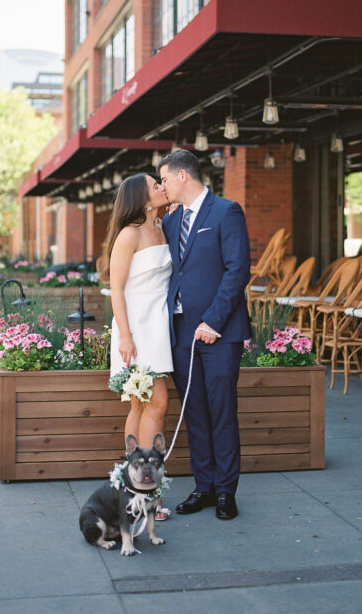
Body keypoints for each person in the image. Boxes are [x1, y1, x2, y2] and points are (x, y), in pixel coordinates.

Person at [157, 149, 251, 521]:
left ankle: (227, 492)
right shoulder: (170, 221)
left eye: (163, 179)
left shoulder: (227, 212)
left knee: (222, 412)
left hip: (220, 333)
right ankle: (204, 486)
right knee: (194, 412)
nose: (162, 186)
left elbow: (237, 270)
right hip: (180, 333)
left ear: (182, 176)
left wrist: (213, 321)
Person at [102, 173, 174, 520]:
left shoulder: (163, 227)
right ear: (142, 198)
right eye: (154, 185)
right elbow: (117, 288)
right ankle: (146, 492)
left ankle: (134, 492)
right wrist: (126, 336)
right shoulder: (129, 234)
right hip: (136, 327)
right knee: (155, 402)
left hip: (159, 324)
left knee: (141, 405)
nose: (161, 186)